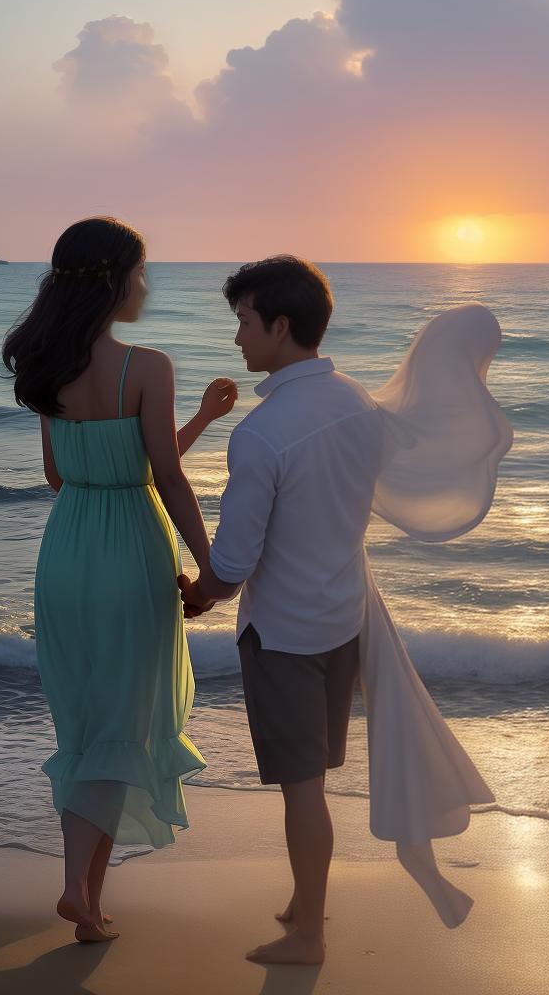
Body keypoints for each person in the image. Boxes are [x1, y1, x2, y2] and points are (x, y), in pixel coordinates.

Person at [2, 216, 237, 943]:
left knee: (87, 724)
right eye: (141, 271)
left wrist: (197, 418)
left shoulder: (45, 367)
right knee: (123, 723)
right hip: (132, 551)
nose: (147, 284)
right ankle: (75, 887)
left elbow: (61, 474)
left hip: (67, 552)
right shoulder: (148, 366)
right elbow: (162, 474)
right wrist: (212, 566)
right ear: (115, 279)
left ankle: (90, 907)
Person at [179, 255, 386, 965]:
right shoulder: (360, 403)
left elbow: (234, 564)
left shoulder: (262, 433)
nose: (237, 337)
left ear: (280, 325)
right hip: (343, 618)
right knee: (314, 778)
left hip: (287, 635)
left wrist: (197, 592)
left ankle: (309, 938)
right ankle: (306, 901)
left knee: (302, 790)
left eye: (243, 321)